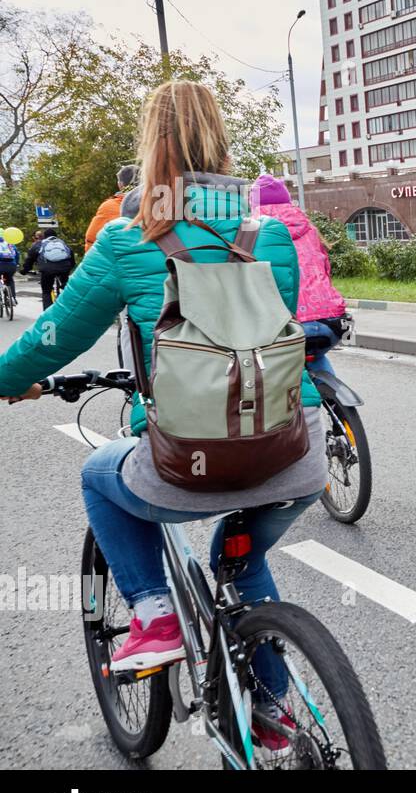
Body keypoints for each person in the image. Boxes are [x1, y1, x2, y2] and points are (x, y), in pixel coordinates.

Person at [0, 81, 324, 748]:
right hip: (294, 451)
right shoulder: (271, 232)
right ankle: (271, 709)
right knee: (242, 555)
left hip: (188, 462)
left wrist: (8, 381)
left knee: (99, 475)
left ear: (152, 147)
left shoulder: (127, 238)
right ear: (222, 141)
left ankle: (152, 613)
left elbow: (53, 339)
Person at [248, 173, 348, 374]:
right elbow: (325, 271)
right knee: (317, 358)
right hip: (332, 321)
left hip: (290, 323)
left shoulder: (252, 230)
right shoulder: (308, 226)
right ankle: (336, 401)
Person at [85, 164, 139, 253]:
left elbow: (92, 239)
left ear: (121, 185)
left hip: (122, 259)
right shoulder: (159, 203)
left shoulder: (109, 206)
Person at [20, 225, 75, 309]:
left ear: (44, 236)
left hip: (47, 270)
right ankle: (70, 304)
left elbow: (30, 259)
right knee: (66, 285)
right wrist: (69, 268)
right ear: (56, 236)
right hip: (64, 268)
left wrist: (25, 270)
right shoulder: (62, 243)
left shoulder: (39, 244)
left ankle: (48, 313)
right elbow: (71, 257)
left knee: (46, 291)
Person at [0, 233, 19, 305]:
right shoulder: (10, 243)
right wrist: (16, 263)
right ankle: (12, 298)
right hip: (11, 265)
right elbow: (17, 254)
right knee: (10, 280)